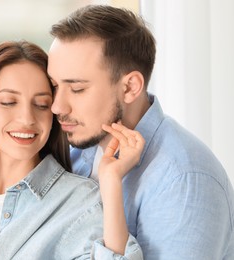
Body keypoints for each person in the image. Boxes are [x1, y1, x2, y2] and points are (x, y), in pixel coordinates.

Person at [0, 40, 146, 259]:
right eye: (9, 102)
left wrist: (111, 180)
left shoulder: (80, 203)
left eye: (41, 105)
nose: (27, 118)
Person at [47, 4, 234, 260]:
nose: (57, 106)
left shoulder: (184, 180)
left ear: (130, 87)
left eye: (77, 88)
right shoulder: (78, 151)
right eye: (55, 86)